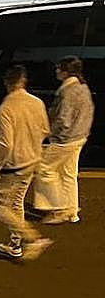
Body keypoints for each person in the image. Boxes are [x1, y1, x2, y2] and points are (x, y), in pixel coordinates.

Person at [0, 65, 52, 261]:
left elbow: (4, 143)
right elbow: (45, 130)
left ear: (7, 83)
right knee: (16, 203)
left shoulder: (6, 109)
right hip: (32, 161)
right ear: (23, 81)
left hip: (13, 165)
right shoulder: (37, 103)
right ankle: (15, 245)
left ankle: (32, 238)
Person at [33, 56, 94, 224]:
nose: (56, 71)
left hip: (65, 139)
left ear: (66, 71)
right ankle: (72, 210)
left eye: (59, 68)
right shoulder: (83, 87)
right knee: (69, 174)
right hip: (80, 137)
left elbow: (63, 120)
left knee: (45, 169)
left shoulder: (67, 91)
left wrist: (47, 133)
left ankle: (58, 208)